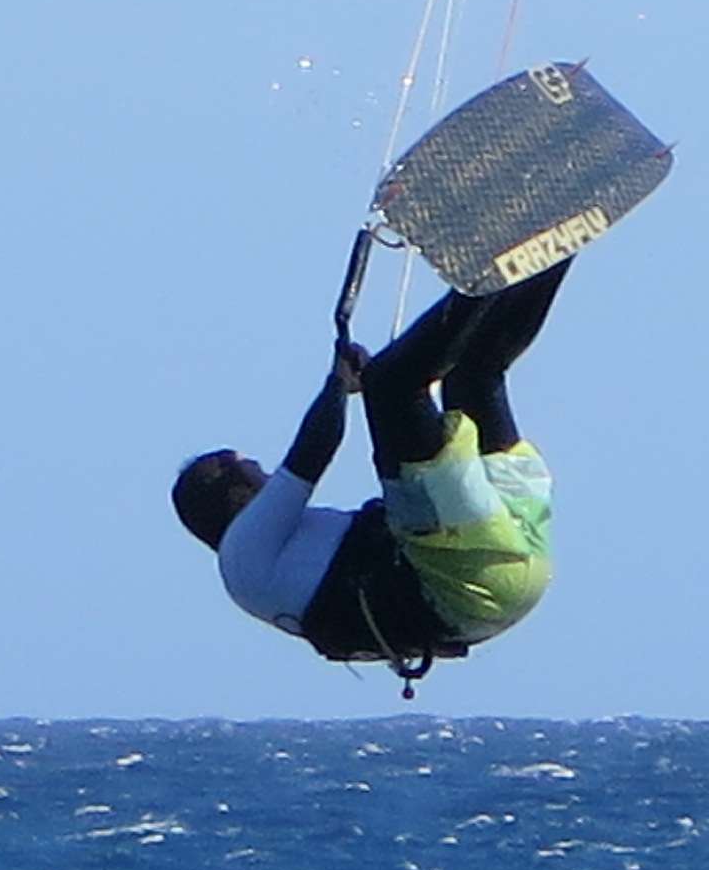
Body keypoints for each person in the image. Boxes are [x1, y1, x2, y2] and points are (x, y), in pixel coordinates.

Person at [170, 261, 568, 683]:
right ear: (236, 492)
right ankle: (490, 272)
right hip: (462, 576)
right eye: (253, 470)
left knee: (475, 376)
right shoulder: (242, 550)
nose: (265, 474)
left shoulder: (267, 571)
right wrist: (339, 382)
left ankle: (557, 248)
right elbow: (313, 452)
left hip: (506, 563)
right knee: (392, 384)